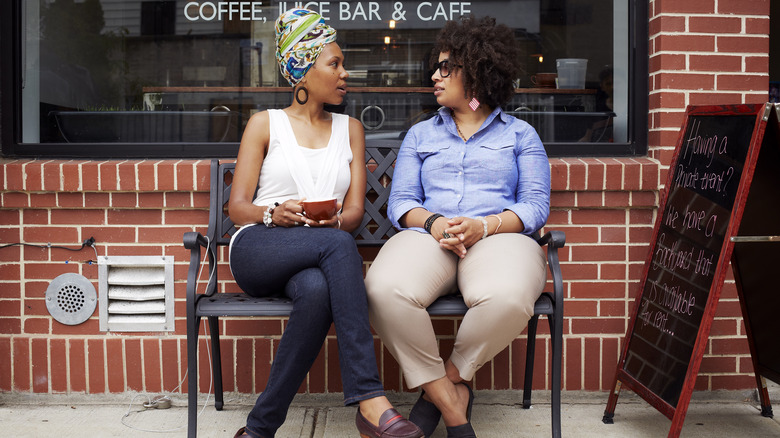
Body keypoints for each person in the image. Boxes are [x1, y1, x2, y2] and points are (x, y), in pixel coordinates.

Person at [228, 9, 423, 438]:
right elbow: (237, 207)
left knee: (317, 290)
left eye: (341, 64)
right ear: (301, 69)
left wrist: (336, 218)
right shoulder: (266, 124)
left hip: (314, 258)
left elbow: (353, 213)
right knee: (337, 246)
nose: (344, 72)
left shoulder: (350, 129)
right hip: (258, 246)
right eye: (333, 64)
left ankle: (258, 429)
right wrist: (272, 213)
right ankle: (370, 400)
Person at [365, 16, 551, 438]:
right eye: (436, 67)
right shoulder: (420, 135)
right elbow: (402, 204)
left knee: (507, 296)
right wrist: (432, 224)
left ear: (477, 71)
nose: (435, 75)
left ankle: (445, 382)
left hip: (498, 237)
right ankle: (453, 404)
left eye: (446, 67)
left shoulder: (521, 135)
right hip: (430, 237)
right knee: (382, 288)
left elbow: (536, 206)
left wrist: (482, 226)